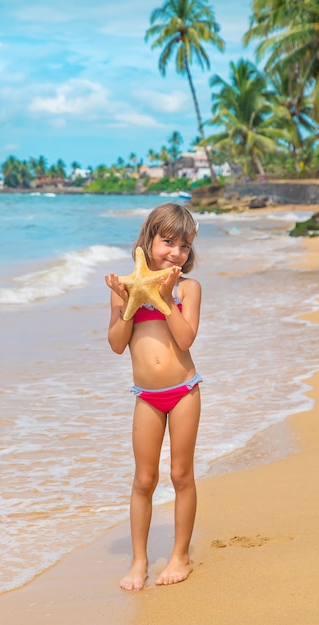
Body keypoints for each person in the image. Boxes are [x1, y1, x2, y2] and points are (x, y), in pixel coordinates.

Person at [105, 202, 202, 591]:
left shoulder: (188, 288)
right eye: (168, 242)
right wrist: (129, 301)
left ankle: (180, 556)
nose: (176, 252)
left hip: (183, 392)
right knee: (144, 479)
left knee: (181, 474)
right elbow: (115, 344)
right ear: (148, 241)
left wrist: (162, 298)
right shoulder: (125, 291)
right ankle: (139, 561)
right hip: (146, 396)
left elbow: (185, 338)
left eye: (184, 246)